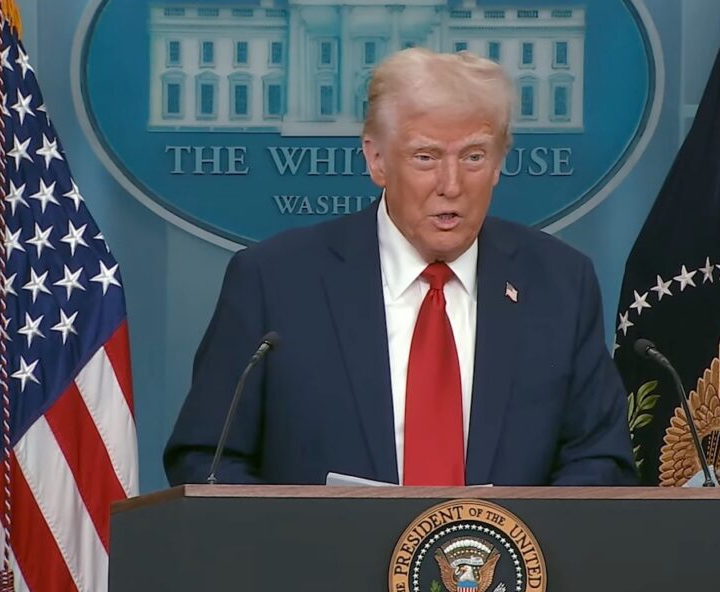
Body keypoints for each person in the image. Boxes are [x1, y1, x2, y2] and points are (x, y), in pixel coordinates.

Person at [164, 48, 636, 486]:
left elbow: (599, 459)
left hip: (501, 573)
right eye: (425, 157)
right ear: (376, 160)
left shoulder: (559, 283)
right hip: (319, 573)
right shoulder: (276, 281)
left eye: (473, 156)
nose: (451, 185)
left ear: (498, 163)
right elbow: (207, 458)